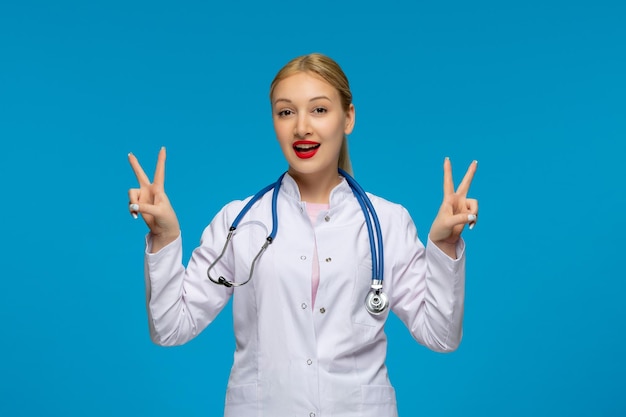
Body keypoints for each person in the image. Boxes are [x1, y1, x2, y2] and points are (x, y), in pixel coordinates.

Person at [128, 53, 478, 417]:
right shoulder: (240, 221)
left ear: (349, 118)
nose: (301, 128)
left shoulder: (387, 222)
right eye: (286, 112)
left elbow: (440, 335)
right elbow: (171, 327)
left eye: (319, 110)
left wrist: (443, 246)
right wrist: (165, 237)